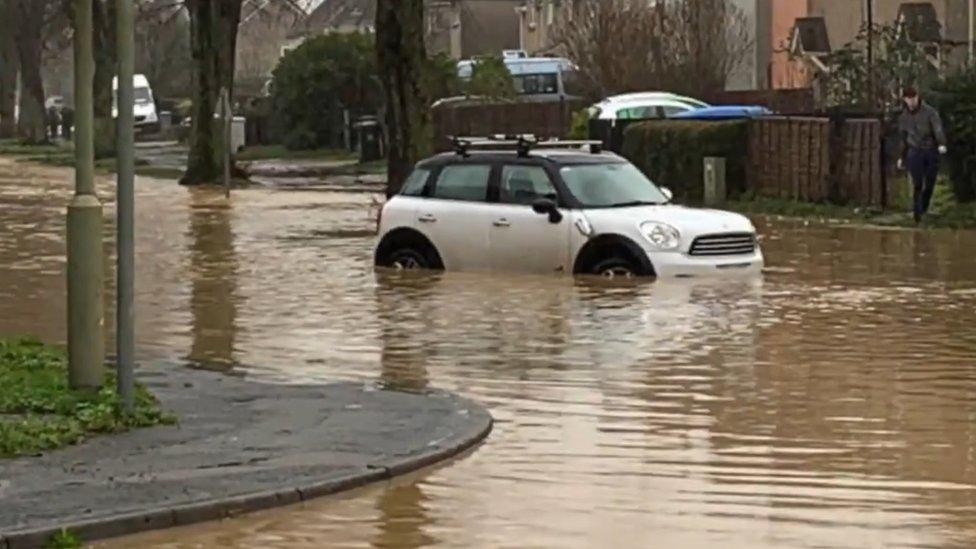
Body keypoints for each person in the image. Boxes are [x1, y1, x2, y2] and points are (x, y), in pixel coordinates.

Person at [897, 87, 947, 223]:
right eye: (908, 99)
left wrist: (941, 143)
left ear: (917, 97)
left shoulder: (930, 112)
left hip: (930, 150)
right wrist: (901, 156)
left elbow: (937, 128)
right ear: (905, 100)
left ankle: (924, 206)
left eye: (913, 98)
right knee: (917, 182)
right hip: (914, 151)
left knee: (930, 182)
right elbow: (903, 138)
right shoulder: (904, 117)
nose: (911, 102)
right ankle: (917, 213)